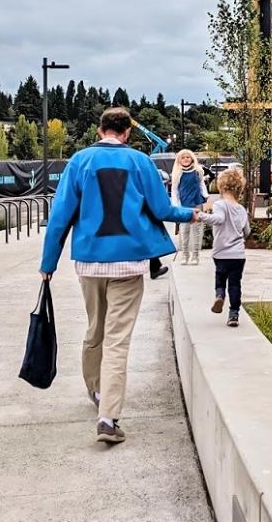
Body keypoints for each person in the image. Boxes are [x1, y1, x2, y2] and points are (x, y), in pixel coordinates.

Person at [39, 107, 197, 444]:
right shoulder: (142, 163)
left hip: (90, 262)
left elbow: (60, 217)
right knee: (117, 340)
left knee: (94, 328)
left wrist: (48, 263)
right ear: (127, 133)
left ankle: (95, 391)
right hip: (128, 265)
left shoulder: (79, 162)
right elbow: (162, 210)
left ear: (100, 130)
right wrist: (192, 215)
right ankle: (108, 419)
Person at [198, 168, 251, 327]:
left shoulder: (220, 204)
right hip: (238, 255)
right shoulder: (241, 209)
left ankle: (219, 295)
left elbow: (218, 219)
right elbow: (247, 231)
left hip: (221, 252)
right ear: (239, 189)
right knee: (235, 284)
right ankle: (233, 315)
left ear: (221, 186)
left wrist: (200, 215)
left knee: (220, 277)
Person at [171, 149, 208, 265]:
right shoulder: (178, 173)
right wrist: (176, 205)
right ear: (179, 160)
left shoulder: (198, 171)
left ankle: (195, 255)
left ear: (192, 158)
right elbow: (175, 190)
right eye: (183, 157)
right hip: (183, 205)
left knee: (196, 230)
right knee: (184, 230)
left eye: (188, 157)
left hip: (196, 202)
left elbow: (201, 184)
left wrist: (206, 195)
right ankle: (185, 255)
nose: (186, 159)